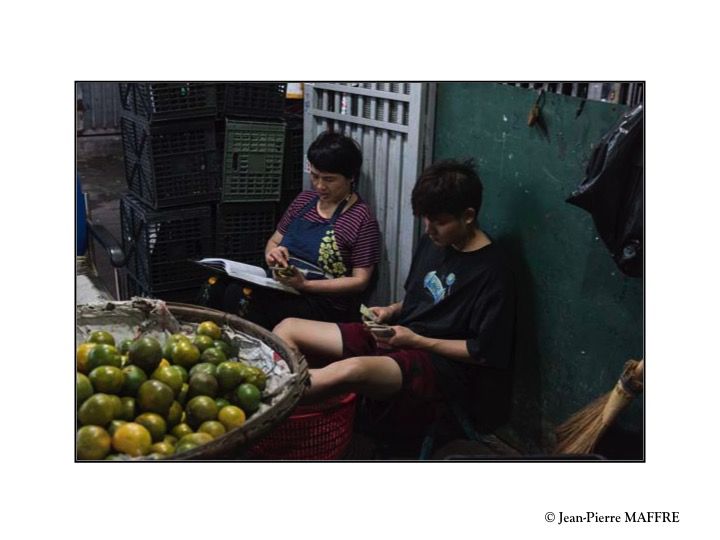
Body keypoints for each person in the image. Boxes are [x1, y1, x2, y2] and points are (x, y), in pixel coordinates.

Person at [273, 159, 516, 437]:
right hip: (400, 337)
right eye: (426, 219)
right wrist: (390, 311)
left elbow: (483, 352)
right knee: (287, 328)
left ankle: (266, 401)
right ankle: (281, 402)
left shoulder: (494, 270)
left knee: (351, 371)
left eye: (439, 222)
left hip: (440, 365)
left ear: (469, 216)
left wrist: (415, 340)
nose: (429, 229)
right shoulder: (435, 242)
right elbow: (421, 300)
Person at [209, 131, 381, 330]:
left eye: (329, 179)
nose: (319, 186)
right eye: (315, 176)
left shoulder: (360, 218)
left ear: (351, 177)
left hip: (322, 303)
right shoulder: (304, 201)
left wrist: (305, 285)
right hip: (285, 287)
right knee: (216, 285)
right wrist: (272, 256)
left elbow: (360, 281)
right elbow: (274, 242)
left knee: (242, 297)